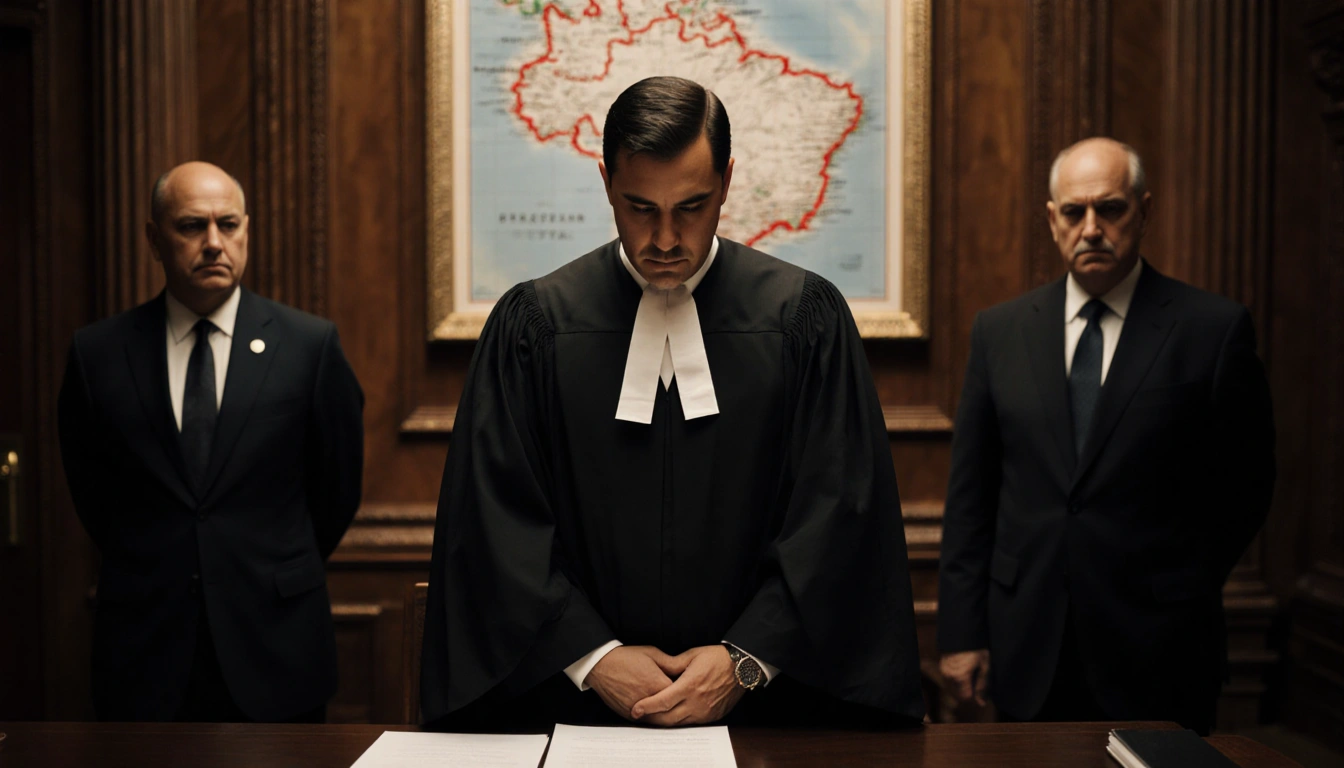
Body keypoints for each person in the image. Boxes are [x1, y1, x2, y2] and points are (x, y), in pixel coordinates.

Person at [420, 76, 924, 730]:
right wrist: (592, 656)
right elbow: (494, 524)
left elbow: (839, 520)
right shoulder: (535, 327)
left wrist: (746, 658)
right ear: (606, 182)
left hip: (765, 716)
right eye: (639, 207)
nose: (664, 239)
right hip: (573, 712)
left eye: (691, 206)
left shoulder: (805, 321)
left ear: (728, 181)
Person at [936, 137, 1275, 734]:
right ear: (1052, 219)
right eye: (1074, 212)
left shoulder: (1212, 331)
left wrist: (1177, 581)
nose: (1091, 228)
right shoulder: (1000, 332)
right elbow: (971, 500)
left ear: (1145, 210)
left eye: (1111, 208)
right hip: (1027, 644)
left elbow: (1246, 486)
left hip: (1160, 648)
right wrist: (962, 635)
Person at [58, 161, 365, 722]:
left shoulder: (308, 347)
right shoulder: (98, 355)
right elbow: (94, 496)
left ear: (247, 229)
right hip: (145, 649)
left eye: (228, 224)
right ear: (154, 239)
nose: (213, 243)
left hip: (276, 645)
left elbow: (336, 488)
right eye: (191, 226)